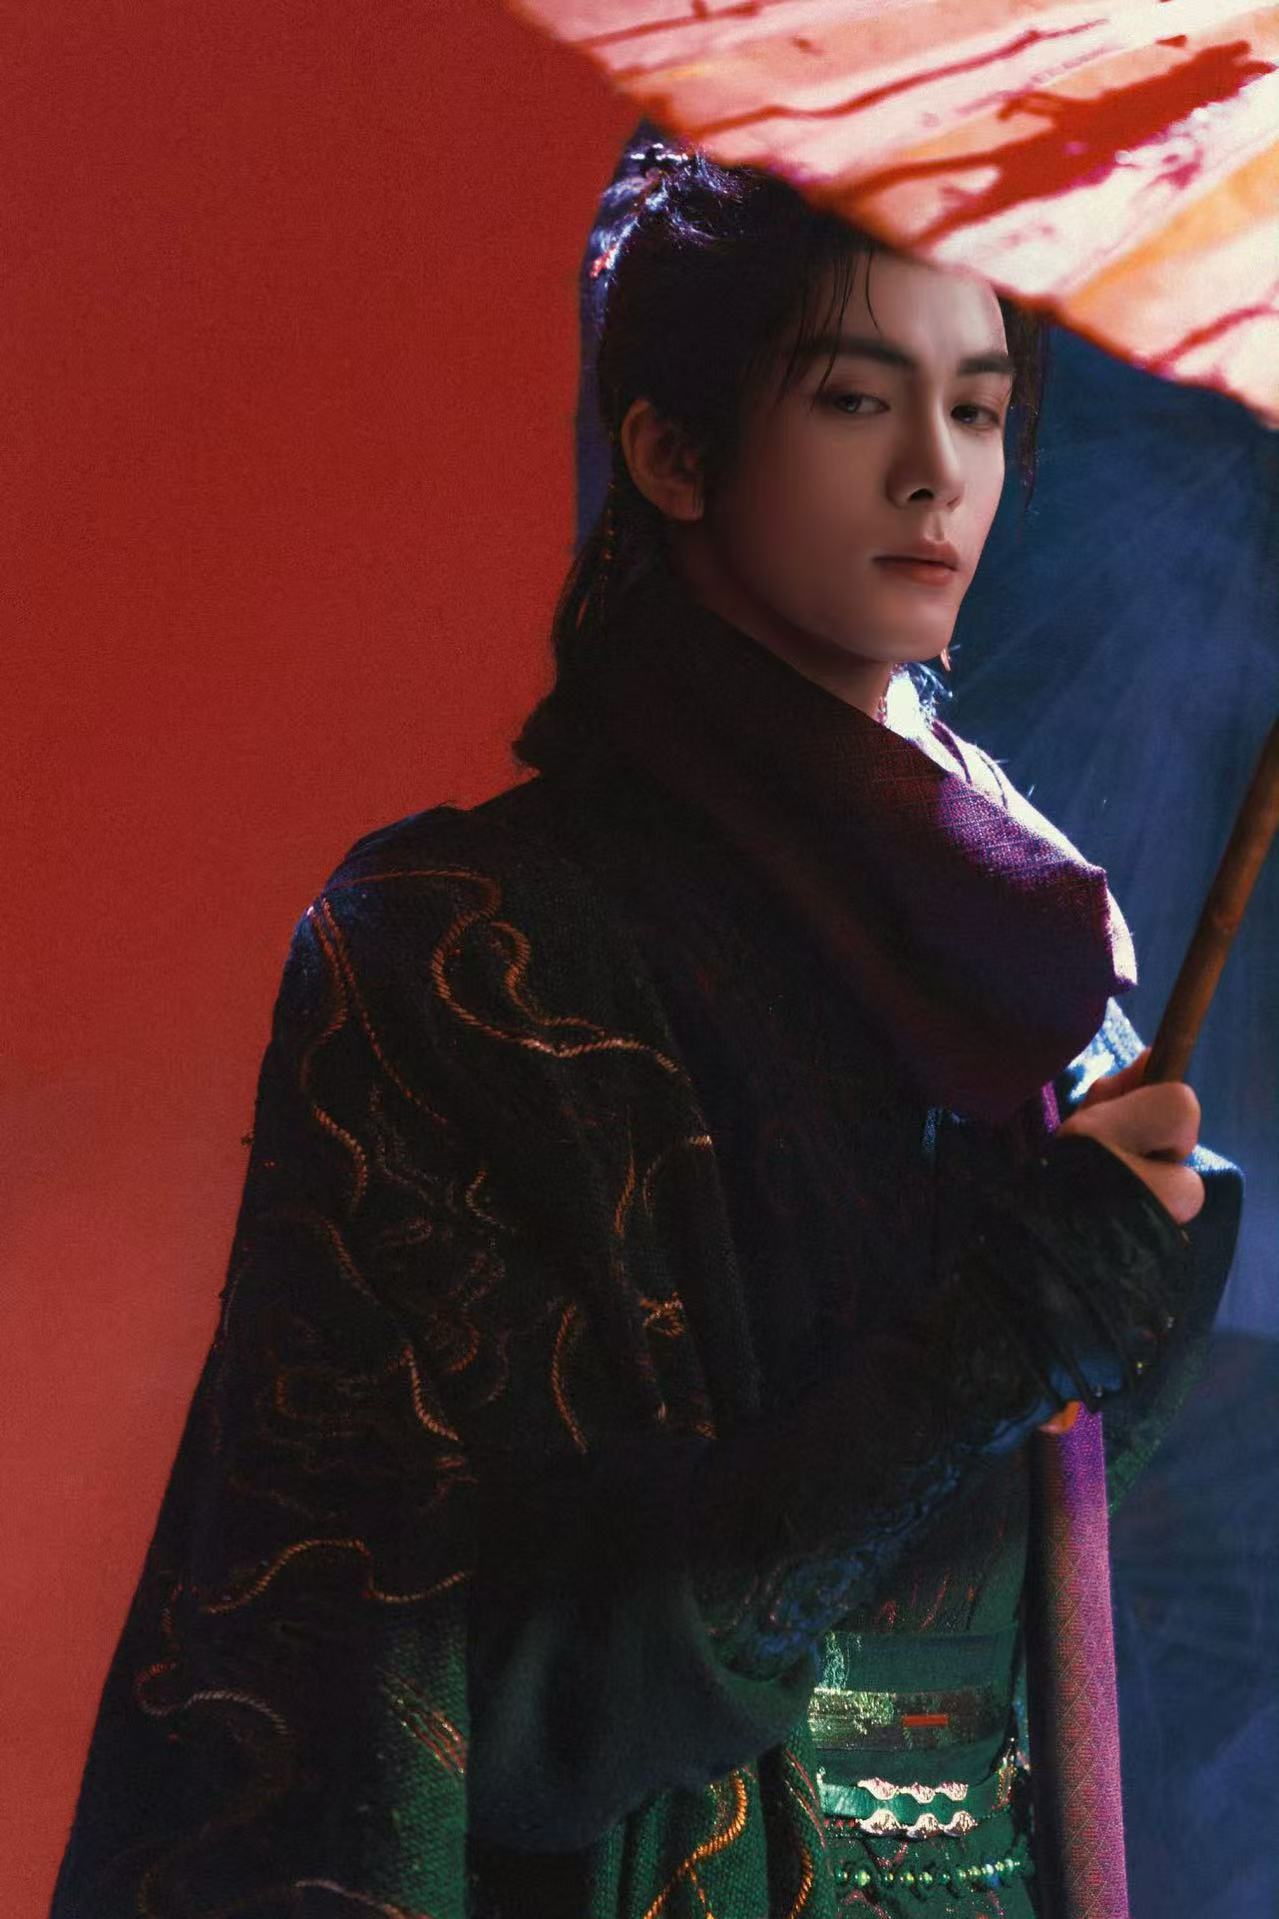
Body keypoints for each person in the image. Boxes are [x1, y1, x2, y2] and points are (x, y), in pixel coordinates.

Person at [50, 142, 1243, 1919]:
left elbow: (1011, 1574)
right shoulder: (474, 955)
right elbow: (505, 1699)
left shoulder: (1030, 968)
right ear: (672, 450)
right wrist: (999, 1335)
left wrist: (1128, 1282)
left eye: (983, 409)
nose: (938, 472)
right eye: (857, 398)